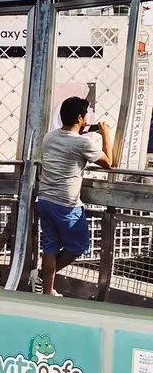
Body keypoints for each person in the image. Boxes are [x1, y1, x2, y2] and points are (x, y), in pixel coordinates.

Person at [32, 96, 112, 296]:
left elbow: (72, 133)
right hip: (66, 205)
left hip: (45, 200)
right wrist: (105, 134)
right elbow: (109, 162)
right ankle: (42, 278)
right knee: (78, 246)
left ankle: (47, 291)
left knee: (50, 246)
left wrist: (88, 127)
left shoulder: (49, 137)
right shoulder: (83, 144)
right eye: (85, 116)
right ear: (79, 117)